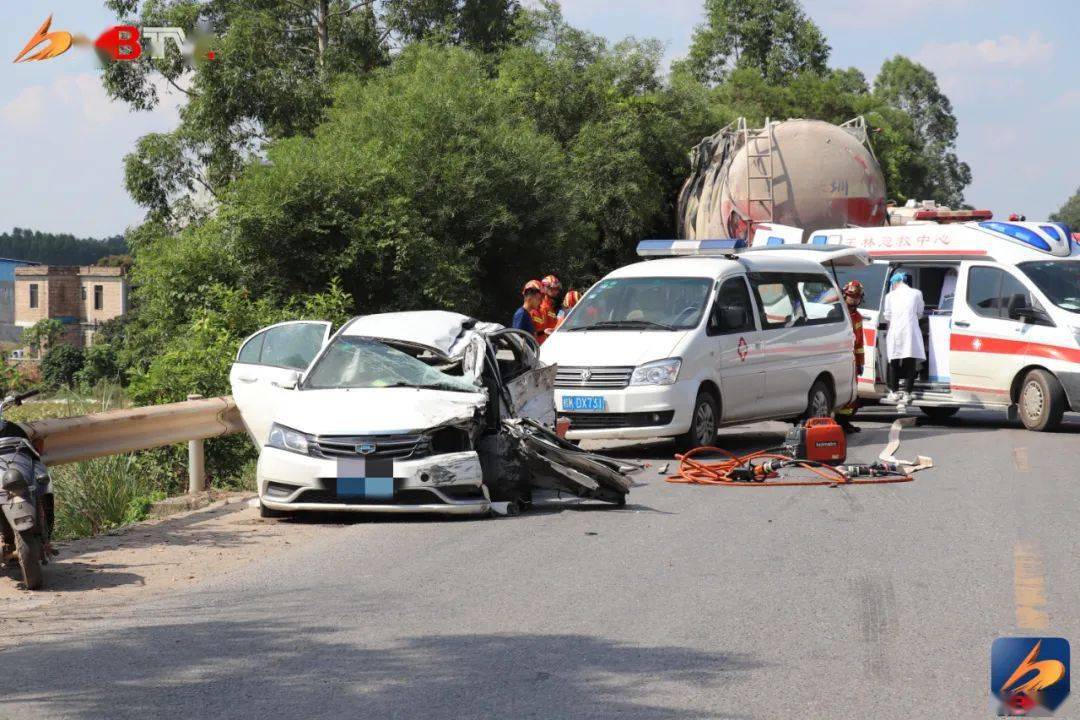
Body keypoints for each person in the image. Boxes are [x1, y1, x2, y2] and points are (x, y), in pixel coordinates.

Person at [882, 271, 925, 406]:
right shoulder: (917, 293)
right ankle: (907, 392)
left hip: (895, 331)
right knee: (910, 361)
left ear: (895, 283)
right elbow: (920, 313)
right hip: (910, 331)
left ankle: (894, 391)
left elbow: (887, 315)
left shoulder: (890, 296)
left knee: (893, 361)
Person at [835, 280, 865, 433]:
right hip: (838, 358)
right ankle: (836, 422)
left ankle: (844, 423)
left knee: (851, 391)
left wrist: (860, 362)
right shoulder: (837, 313)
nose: (854, 300)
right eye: (851, 296)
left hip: (851, 360)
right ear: (844, 295)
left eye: (856, 297)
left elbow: (859, 343)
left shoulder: (857, 317)